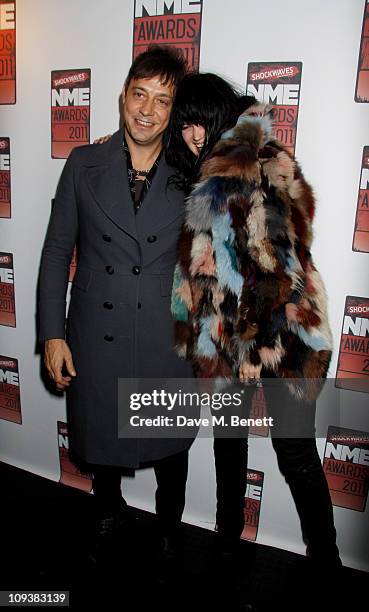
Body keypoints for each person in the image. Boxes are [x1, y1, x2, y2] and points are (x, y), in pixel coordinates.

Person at [169, 72, 342, 570]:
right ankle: (227, 544)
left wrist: (251, 343)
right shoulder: (211, 168)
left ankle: (326, 563)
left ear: (220, 114)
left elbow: (278, 264)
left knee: (295, 453)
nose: (193, 135)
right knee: (228, 444)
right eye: (185, 126)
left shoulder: (252, 163)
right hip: (229, 334)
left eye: (200, 123)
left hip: (282, 333)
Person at [38, 45, 194, 564]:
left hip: (162, 335)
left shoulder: (192, 173)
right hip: (95, 329)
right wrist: (52, 334)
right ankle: (108, 508)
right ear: (122, 96)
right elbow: (59, 249)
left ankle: (169, 526)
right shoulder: (84, 163)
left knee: (171, 447)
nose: (147, 110)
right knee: (103, 430)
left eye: (163, 100)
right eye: (140, 94)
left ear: (174, 111)